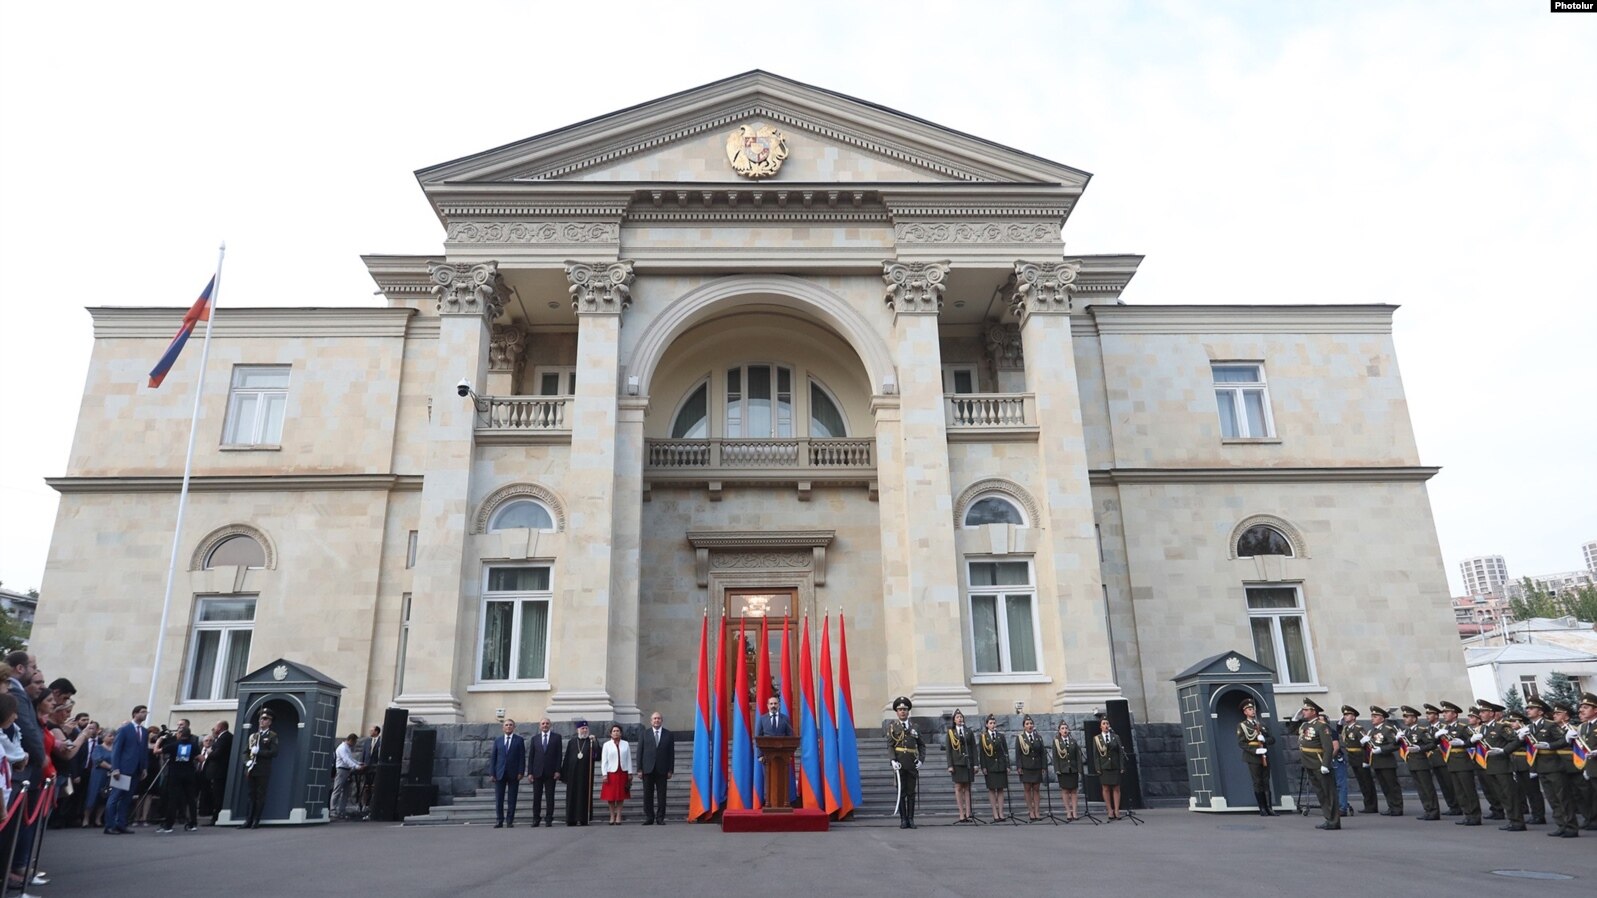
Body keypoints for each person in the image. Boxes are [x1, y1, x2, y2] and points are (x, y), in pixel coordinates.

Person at [1523, 697, 1574, 837]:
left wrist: (1549, 746)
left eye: (1531, 708)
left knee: (1562, 797)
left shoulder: (1550, 725)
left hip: (1554, 766)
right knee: (1552, 798)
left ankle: (1571, 826)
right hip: (1540, 766)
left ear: (1540, 712)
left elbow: (1564, 739)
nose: (1528, 710)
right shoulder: (1530, 727)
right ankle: (1561, 825)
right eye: (1528, 708)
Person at [1435, 700, 1482, 826]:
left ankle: (1475, 816)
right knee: (1459, 791)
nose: (1444, 715)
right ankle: (1467, 814)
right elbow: (1437, 745)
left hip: (1463, 762)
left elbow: (1474, 741)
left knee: (1468, 790)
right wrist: (1436, 737)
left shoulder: (1462, 727)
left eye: (1446, 712)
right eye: (1443, 713)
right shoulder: (1444, 729)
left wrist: (1463, 743)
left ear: (1454, 714)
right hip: (1451, 762)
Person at [1296, 698, 1340, 830]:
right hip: (1309, 763)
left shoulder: (1322, 726)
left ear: (1313, 711)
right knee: (1320, 793)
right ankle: (1328, 818)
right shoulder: (1305, 725)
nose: (1303, 712)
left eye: (1306, 710)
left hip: (1319, 762)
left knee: (1329, 793)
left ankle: (1334, 821)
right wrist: (1295, 718)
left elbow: (1328, 747)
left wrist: (1325, 764)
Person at [104, 704, 148, 835]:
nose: (145, 714)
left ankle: (121, 823)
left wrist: (144, 767)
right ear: (135, 714)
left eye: (146, 712)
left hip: (136, 769)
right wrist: (115, 768)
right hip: (123, 768)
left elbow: (144, 751)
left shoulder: (144, 732)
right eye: (142, 712)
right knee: (115, 797)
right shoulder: (124, 729)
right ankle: (110, 825)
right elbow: (116, 750)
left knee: (127, 798)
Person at [884, 696, 923, 829]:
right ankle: (903, 819)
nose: (903, 712)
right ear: (896, 712)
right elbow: (890, 745)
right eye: (900, 709)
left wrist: (921, 760)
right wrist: (892, 760)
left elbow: (921, 745)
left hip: (912, 763)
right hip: (899, 763)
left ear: (908, 711)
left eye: (905, 709)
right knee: (901, 792)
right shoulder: (892, 727)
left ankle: (911, 819)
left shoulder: (915, 726)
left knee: (911, 792)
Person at [156, 718, 201, 833]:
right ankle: (193, 823)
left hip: (175, 774)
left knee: (173, 799)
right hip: (189, 773)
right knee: (191, 799)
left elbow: (156, 751)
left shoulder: (174, 745)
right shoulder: (194, 745)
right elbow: (201, 758)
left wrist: (159, 741)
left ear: (180, 734)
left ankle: (168, 825)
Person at [1399, 705, 1441, 821]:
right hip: (1412, 763)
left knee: (1427, 788)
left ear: (1414, 719)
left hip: (1422, 763)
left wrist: (1419, 748)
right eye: (1404, 717)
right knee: (1421, 789)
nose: (1405, 719)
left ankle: (1434, 811)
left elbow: (1432, 744)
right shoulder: (1406, 732)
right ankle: (1427, 809)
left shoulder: (1421, 730)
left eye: (1407, 717)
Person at [1235, 698, 1275, 816]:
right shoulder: (1242, 726)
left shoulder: (1261, 724)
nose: (1252, 711)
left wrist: (1265, 740)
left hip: (1264, 754)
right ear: (1245, 712)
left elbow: (1272, 739)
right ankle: (1262, 808)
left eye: (1253, 709)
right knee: (1257, 782)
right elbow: (1241, 743)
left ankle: (1269, 808)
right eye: (1249, 709)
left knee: (1266, 781)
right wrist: (1255, 750)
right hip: (1253, 757)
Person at [1338, 705, 1378, 815]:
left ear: (1354, 716)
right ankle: (1367, 804)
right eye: (1344, 715)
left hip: (1360, 756)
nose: (1345, 717)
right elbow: (1340, 734)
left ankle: (1372, 805)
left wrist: (1366, 760)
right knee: (1361, 782)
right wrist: (1339, 724)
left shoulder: (1358, 728)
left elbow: (1366, 745)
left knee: (1367, 782)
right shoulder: (1347, 728)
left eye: (1348, 715)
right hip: (1352, 757)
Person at [1423, 703, 1462, 816]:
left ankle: (1457, 806)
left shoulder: (1443, 728)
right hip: (1432, 760)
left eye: (1430, 714)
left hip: (1443, 759)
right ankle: (1452, 806)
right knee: (1443, 785)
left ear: (1436, 716)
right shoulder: (1427, 729)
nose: (1427, 716)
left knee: (1450, 784)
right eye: (1427, 714)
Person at [243, 710, 279, 828]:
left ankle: (256, 820)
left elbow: (274, 752)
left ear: (270, 722)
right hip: (251, 768)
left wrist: (260, 752)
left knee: (260, 795)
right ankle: (248, 819)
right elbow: (245, 752)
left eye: (265, 719)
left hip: (263, 769)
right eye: (261, 719)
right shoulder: (254, 736)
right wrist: (247, 761)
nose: (262, 721)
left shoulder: (272, 736)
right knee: (250, 795)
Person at [1364, 705, 1403, 816]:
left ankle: (1397, 807)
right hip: (1377, 762)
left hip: (1387, 762)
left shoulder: (1387, 729)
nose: (1373, 718)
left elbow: (1395, 745)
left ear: (1382, 718)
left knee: (1392, 786)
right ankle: (1391, 806)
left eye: (1375, 716)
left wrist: (1382, 749)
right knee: (1385, 787)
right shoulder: (1372, 731)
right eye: (1372, 716)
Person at [637, 711, 673, 826]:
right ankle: (649, 817)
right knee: (647, 795)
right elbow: (639, 752)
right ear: (651, 721)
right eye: (654, 719)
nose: (656, 720)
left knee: (662, 795)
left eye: (658, 718)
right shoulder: (644, 734)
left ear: (661, 720)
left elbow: (671, 754)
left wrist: (670, 769)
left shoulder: (668, 734)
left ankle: (660, 817)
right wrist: (639, 769)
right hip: (647, 769)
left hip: (662, 770)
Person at [490, 718, 526, 828]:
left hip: (514, 773)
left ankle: (510, 820)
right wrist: (492, 773)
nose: (508, 726)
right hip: (500, 773)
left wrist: (521, 771)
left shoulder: (519, 740)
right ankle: (499, 820)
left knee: (512, 798)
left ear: (514, 727)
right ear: (503, 727)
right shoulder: (498, 740)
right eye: (506, 725)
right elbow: (493, 758)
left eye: (511, 725)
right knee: (499, 798)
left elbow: (522, 757)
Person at [527, 717, 562, 827]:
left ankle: (548, 819)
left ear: (550, 725)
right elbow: (531, 756)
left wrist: (557, 770)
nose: (545, 725)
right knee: (536, 797)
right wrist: (530, 772)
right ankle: (536, 818)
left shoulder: (557, 738)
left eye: (547, 723)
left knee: (550, 797)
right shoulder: (535, 739)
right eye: (543, 723)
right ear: (540, 726)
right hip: (537, 772)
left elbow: (559, 756)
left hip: (551, 772)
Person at [561, 719, 597, 826]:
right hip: (573, 775)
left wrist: (595, 743)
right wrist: (564, 774)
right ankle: (571, 819)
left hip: (586, 775)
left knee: (584, 797)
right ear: (578, 730)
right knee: (572, 796)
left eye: (586, 728)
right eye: (582, 728)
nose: (584, 730)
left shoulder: (590, 742)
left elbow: (596, 756)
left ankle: (583, 819)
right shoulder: (572, 742)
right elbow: (567, 758)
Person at [944, 709, 976, 822]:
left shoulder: (968, 732)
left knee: (967, 787)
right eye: (957, 717)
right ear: (954, 720)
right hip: (957, 763)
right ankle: (961, 814)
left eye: (961, 717)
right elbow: (948, 750)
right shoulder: (951, 733)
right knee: (958, 787)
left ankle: (968, 813)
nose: (960, 719)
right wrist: (950, 765)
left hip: (967, 763)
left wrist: (975, 764)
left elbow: (973, 748)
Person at [1093, 715, 1126, 820]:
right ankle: (1109, 810)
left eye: (1107, 723)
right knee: (1106, 788)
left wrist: (1121, 766)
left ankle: (1117, 810)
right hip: (1104, 766)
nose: (1106, 725)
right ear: (1100, 726)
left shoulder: (1115, 737)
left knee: (1116, 788)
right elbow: (1096, 755)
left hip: (1115, 765)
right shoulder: (1097, 739)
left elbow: (1120, 752)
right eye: (1104, 724)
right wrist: (1098, 767)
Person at [1014, 714, 1047, 821]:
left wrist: (1043, 766)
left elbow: (1043, 753)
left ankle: (1037, 811)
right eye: (1027, 724)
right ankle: (1031, 811)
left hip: (1037, 766)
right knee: (1027, 789)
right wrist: (1019, 766)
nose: (1030, 726)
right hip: (1026, 767)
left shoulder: (1038, 737)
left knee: (1036, 789)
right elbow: (1018, 754)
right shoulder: (1020, 738)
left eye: (1031, 724)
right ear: (1024, 726)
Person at [599, 723, 633, 825]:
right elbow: (604, 761)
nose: (616, 733)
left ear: (621, 733)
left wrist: (630, 772)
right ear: (610, 733)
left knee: (620, 796)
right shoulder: (606, 745)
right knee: (611, 796)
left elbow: (629, 759)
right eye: (614, 731)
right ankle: (612, 816)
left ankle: (618, 816)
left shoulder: (625, 744)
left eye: (618, 731)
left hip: (622, 772)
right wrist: (604, 774)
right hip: (611, 773)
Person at [978, 713, 1009, 822]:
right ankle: (994, 813)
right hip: (990, 766)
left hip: (1000, 765)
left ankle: (1001, 812)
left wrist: (1007, 765)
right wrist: (983, 767)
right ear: (986, 725)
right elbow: (982, 753)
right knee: (992, 789)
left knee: (1000, 789)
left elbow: (1005, 751)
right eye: (990, 723)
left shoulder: (1001, 736)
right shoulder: (983, 737)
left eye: (994, 723)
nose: (993, 725)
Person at [1049, 720, 1082, 822]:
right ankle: (1068, 811)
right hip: (1063, 770)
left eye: (1066, 728)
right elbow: (1055, 757)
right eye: (1062, 728)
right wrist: (1057, 769)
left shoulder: (1073, 741)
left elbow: (1078, 756)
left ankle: (1075, 811)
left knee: (1074, 791)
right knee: (1065, 791)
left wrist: (1079, 769)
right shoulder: (1056, 742)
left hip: (1073, 769)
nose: (1065, 730)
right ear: (1059, 731)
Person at [82, 730, 115, 829]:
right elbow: (98, 760)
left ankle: (98, 819)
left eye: (114, 736)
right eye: (110, 735)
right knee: (93, 795)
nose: (112, 738)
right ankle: (86, 819)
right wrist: (110, 767)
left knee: (105, 796)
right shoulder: (98, 748)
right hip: (99, 774)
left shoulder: (115, 749)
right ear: (104, 737)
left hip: (111, 776)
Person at [207, 720, 233, 825]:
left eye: (216, 726)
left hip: (219, 771)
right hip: (219, 771)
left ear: (220, 727)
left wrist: (210, 752)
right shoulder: (224, 737)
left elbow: (217, 754)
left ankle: (215, 817)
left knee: (218, 795)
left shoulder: (224, 738)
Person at [331, 733, 360, 820]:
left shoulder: (347, 748)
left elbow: (350, 759)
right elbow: (346, 759)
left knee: (346, 792)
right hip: (342, 770)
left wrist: (358, 763)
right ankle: (333, 810)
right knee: (337, 789)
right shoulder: (342, 748)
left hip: (347, 770)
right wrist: (356, 766)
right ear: (351, 740)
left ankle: (341, 810)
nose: (355, 744)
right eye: (354, 742)